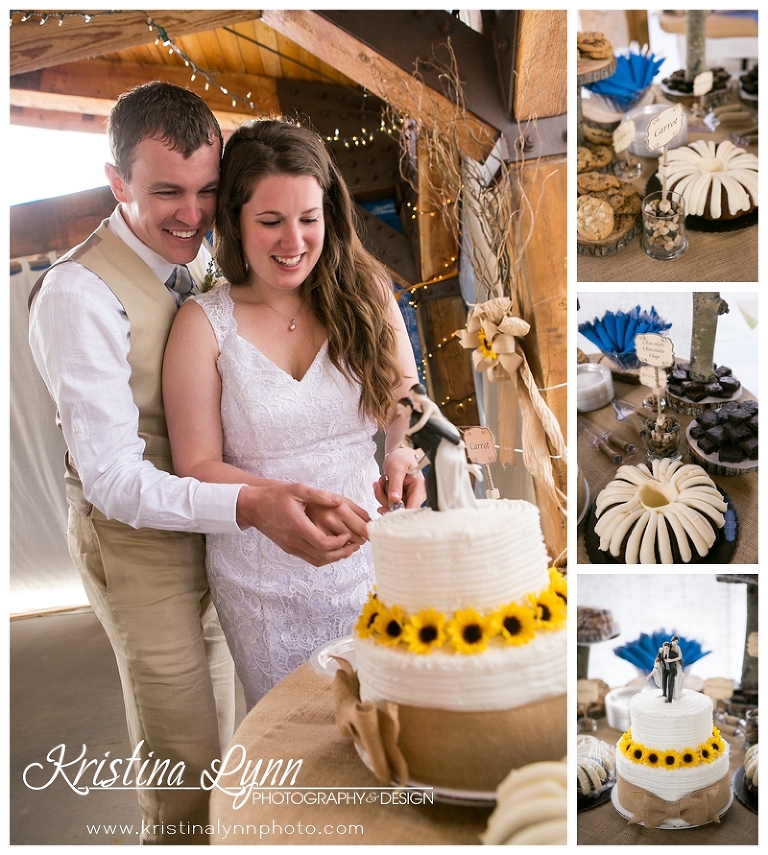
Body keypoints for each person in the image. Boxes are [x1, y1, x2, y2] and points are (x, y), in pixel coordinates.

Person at [27, 83, 375, 844]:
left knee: (244, 736)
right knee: (184, 762)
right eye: (165, 192)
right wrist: (252, 504)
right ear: (117, 183)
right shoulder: (76, 294)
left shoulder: (210, 267)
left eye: (207, 189)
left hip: (229, 535)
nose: (192, 212)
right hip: (138, 543)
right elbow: (116, 480)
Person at [162, 119, 424, 710]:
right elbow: (195, 464)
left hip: (371, 556)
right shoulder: (203, 325)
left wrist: (402, 448)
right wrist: (277, 500)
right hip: (263, 579)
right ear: (235, 222)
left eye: (309, 218)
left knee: (396, 728)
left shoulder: (367, 293)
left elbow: (404, 394)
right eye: (271, 221)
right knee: (298, 747)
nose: (294, 241)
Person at [399, 389, 480, 510]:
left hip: (446, 441)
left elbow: (438, 429)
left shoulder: (422, 416)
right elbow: (429, 450)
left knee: (445, 469)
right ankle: (437, 507)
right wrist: (417, 467)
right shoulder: (414, 421)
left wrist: (457, 441)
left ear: (407, 407)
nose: (399, 412)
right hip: (440, 446)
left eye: (400, 408)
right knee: (433, 478)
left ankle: (466, 469)